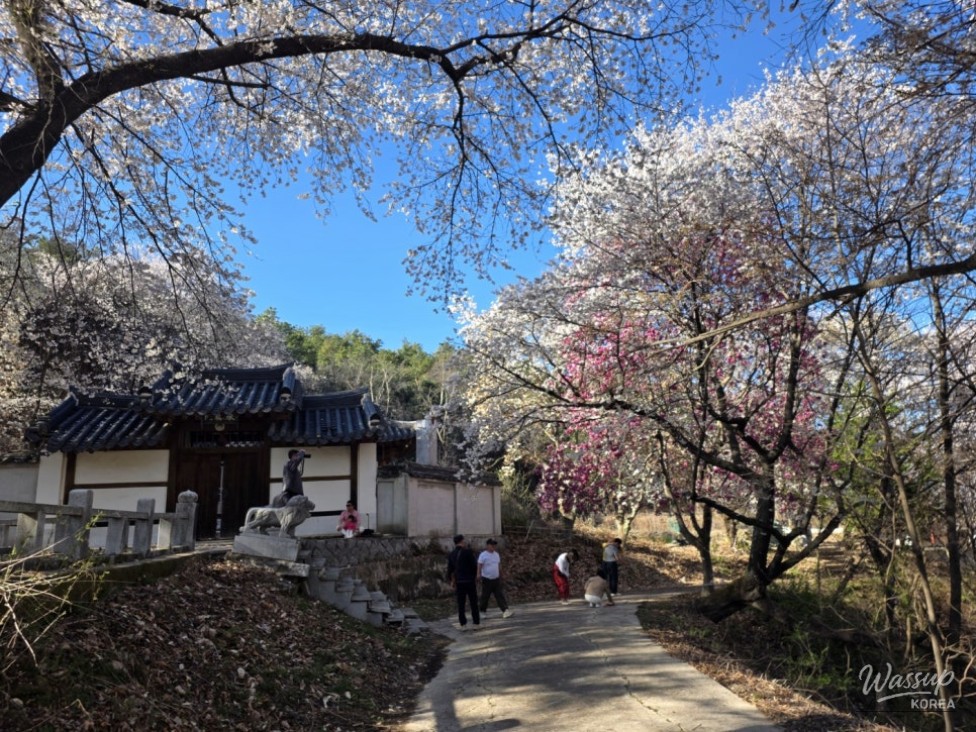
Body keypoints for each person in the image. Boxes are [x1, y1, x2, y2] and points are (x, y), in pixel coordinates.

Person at [446, 534, 480, 630]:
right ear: (462, 541)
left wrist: (451, 581)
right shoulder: (468, 552)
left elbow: (450, 569)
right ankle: (476, 623)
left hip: (459, 582)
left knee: (461, 603)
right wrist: (475, 576)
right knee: (473, 602)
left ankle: (463, 624)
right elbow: (474, 566)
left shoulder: (452, 554)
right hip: (469, 581)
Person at [477, 538, 513, 618]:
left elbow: (498, 566)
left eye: (494, 545)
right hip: (487, 578)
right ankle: (482, 611)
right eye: (492, 545)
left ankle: (505, 610)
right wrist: (478, 574)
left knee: (499, 595)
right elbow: (479, 565)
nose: (493, 546)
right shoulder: (483, 555)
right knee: (485, 596)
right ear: (488, 545)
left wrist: (502, 574)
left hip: (496, 579)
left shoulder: (496, 554)